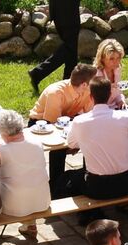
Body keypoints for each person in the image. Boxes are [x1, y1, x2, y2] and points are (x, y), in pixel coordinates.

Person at [60, 77, 128, 202]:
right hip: (125, 184)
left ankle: (88, 213)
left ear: (90, 97)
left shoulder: (80, 121)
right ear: (110, 95)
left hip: (98, 188)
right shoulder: (125, 117)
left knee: (67, 177)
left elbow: (71, 143)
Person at [29, 63, 96, 191]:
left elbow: (89, 115)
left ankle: (88, 177)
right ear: (84, 84)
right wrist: (70, 143)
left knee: (90, 141)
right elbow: (53, 125)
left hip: (66, 120)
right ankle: (55, 184)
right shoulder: (56, 92)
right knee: (58, 147)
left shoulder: (87, 90)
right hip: (42, 123)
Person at [0, 110, 50, 237]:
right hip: (42, 200)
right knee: (28, 179)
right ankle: (29, 224)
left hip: (14, 207)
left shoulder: (2, 151)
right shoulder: (37, 143)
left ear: (4, 133)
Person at [28, 0, 80, 92]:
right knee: (69, 48)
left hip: (59, 14)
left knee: (71, 51)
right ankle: (38, 73)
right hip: (68, 14)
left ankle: (69, 83)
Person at [92, 39, 126, 109]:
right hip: (99, 110)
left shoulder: (117, 69)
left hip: (114, 107)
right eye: (111, 59)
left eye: (118, 58)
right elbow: (92, 101)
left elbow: (118, 92)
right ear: (102, 58)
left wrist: (121, 101)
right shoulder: (96, 74)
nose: (116, 62)